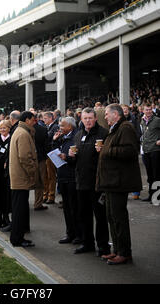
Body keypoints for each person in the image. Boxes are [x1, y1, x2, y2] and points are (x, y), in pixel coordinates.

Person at [96, 104, 142, 265]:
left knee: (119, 218)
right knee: (111, 217)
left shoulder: (125, 127)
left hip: (118, 181)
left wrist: (107, 150)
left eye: (107, 114)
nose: (105, 117)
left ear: (116, 114)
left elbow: (130, 151)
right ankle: (117, 249)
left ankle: (124, 252)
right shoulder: (116, 128)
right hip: (110, 181)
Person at [70, 108, 109, 255]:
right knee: (84, 215)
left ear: (95, 119)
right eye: (85, 118)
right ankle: (87, 243)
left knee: (100, 216)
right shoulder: (78, 135)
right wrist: (71, 156)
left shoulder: (103, 134)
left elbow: (109, 159)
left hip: (97, 183)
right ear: (81, 120)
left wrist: (103, 152)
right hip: (81, 182)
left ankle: (103, 246)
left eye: (90, 118)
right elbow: (75, 162)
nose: (87, 121)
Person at [9, 111, 38, 248]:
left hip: (18, 177)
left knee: (18, 209)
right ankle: (17, 239)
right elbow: (25, 157)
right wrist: (33, 172)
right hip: (21, 178)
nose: (34, 122)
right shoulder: (23, 134)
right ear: (27, 120)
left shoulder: (19, 131)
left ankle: (17, 237)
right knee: (19, 210)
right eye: (33, 120)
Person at [53, 117, 82, 245]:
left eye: (62, 126)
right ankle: (69, 233)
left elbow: (76, 159)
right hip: (62, 175)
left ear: (70, 126)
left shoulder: (75, 137)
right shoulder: (62, 137)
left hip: (71, 177)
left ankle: (78, 234)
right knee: (66, 207)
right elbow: (55, 152)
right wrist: (54, 141)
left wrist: (67, 158)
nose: (60, 128)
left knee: (74, 208)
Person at [140, 103, 160, 202]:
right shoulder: (143, 121)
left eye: (149, 109)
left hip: (155, 150)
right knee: (150, 175)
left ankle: (156, 197)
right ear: (143, 110)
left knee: (156, 174)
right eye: (146, 110)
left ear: (152, 110)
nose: (148, 111)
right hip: (146, 150)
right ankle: (151, 195)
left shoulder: (157, 120)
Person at [33, 114, 49, 211]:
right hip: (41, 159)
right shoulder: (42, 129)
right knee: (39, 182)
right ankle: (38, 203)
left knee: (26, 181)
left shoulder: (24, 130)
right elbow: (46, 145)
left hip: (28, 159)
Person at [43, 111, 59, 204]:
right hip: (46, 153)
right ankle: (46, 194)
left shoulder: (55, 127)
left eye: (45, 118)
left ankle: (51, 195)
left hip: (52, 153)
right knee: (45, 176)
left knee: (51, 176)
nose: (44, 120)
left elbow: (50, 138)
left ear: (50, 118)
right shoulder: (47, 127)